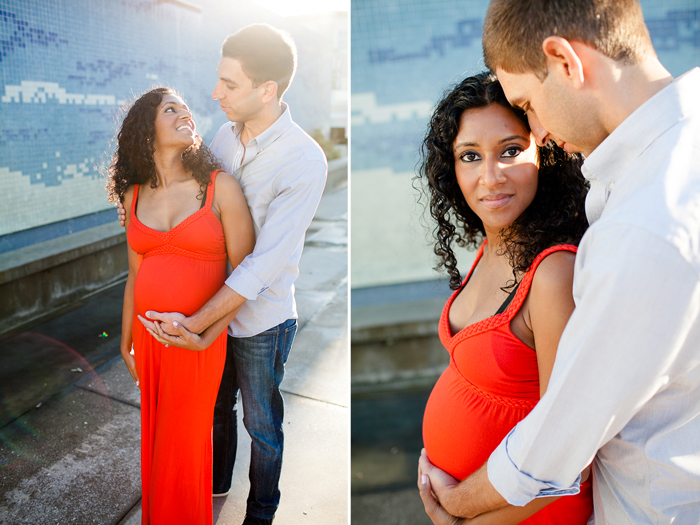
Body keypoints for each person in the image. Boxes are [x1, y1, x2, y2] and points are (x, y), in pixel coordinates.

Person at [419, 1, 700, 523]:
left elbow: (563, 442)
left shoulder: (645, 227)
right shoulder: (667, 156)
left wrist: (455, 505)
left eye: (528, 103)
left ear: (564, 62)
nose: (540, 131)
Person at [118, 24, 327, 525]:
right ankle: (209, 497)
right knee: (214, 414)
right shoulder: (219, 138)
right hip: (202, 317)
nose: (215, 94)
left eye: (229, 84)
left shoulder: (304, 160)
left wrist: (202, 325)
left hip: (260, 317)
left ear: (266, 90)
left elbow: (262, 263)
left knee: (262, 425)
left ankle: (259, 514)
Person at [417, 72, 592, 525]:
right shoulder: (490, 246)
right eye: (470, 156)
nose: (490, 177)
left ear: (545, 153)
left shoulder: (553, 273)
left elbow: (571, 454)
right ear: (451, 169)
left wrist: (462, 519)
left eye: (511, 150)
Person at [108, 87, 255, 525]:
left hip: (197, 342)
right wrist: (125, 343)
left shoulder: (219, 187)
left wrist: (206, 332)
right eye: (170, 108)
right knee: (154, 441)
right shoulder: (133, 196)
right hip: (149, 344)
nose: (184, 112)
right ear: (145, 131)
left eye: (186, 107)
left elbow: (244, 276)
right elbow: (135, 276)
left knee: (186, 444)